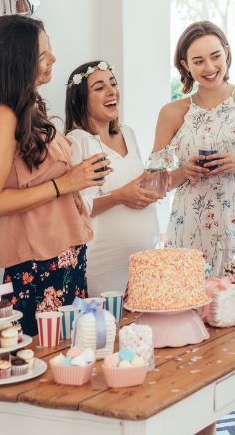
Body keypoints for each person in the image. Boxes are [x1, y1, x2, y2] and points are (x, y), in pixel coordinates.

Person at [0, 15, 108, 337]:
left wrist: (79, 176)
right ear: (18, 61)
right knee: (47, 365)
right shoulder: (3, 116)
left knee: (71, 359)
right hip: (39, 266)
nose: (54, 59)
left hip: (66, 256)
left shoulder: (29, 110)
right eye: (43, 54)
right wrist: (64, 184)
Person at [153, 20, 235, 272]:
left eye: (215, 56)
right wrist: (182, 172)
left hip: (234, 233)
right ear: (185, 65)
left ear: (227, 53)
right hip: (185, 231)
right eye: (198, 61)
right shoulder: (172, 112)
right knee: (186, 307)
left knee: (233, 306)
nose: (209, 67)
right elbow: (151, 185)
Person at [65, 60, 161, 295]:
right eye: (99, 87)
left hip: (143, 261)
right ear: (80, 99)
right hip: (103, 261)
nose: (112, 91)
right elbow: (75, 209)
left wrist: (159, 182)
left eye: (113, 83)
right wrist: (119, 196)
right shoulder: (77, 141)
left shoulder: (128, 133)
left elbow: (134, 183)